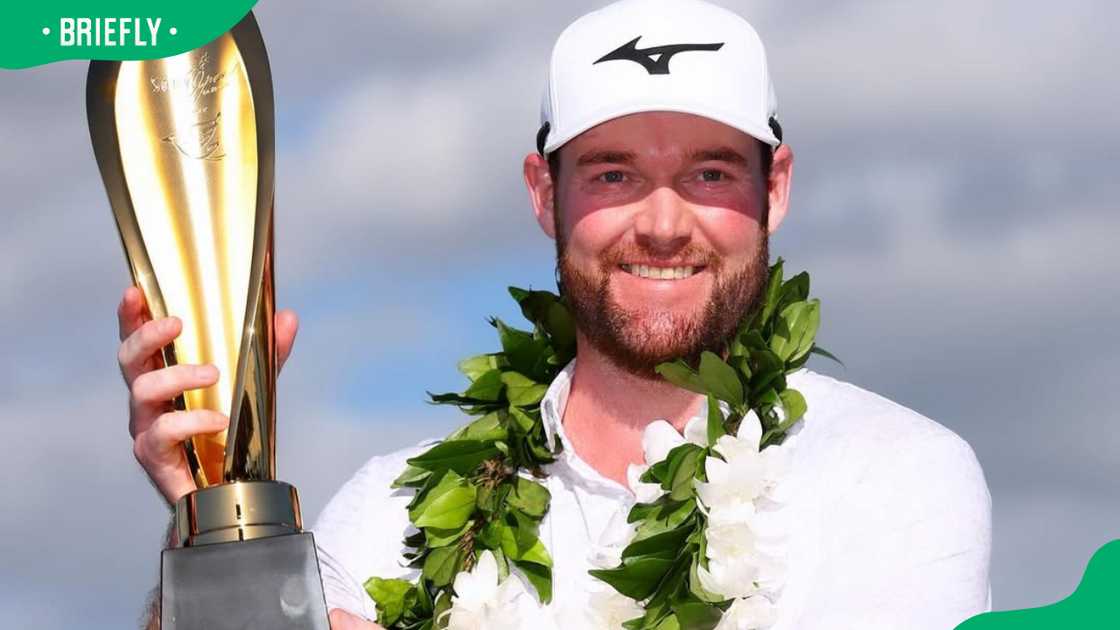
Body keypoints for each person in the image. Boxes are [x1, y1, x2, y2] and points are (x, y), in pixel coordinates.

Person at [119, 1, 991, 628]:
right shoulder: (389, 510)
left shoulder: (896, 476)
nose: (660, 223)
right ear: (545, 193)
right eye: (612, 173)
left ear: (779, 187)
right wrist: (213, 511)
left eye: (712, 173)